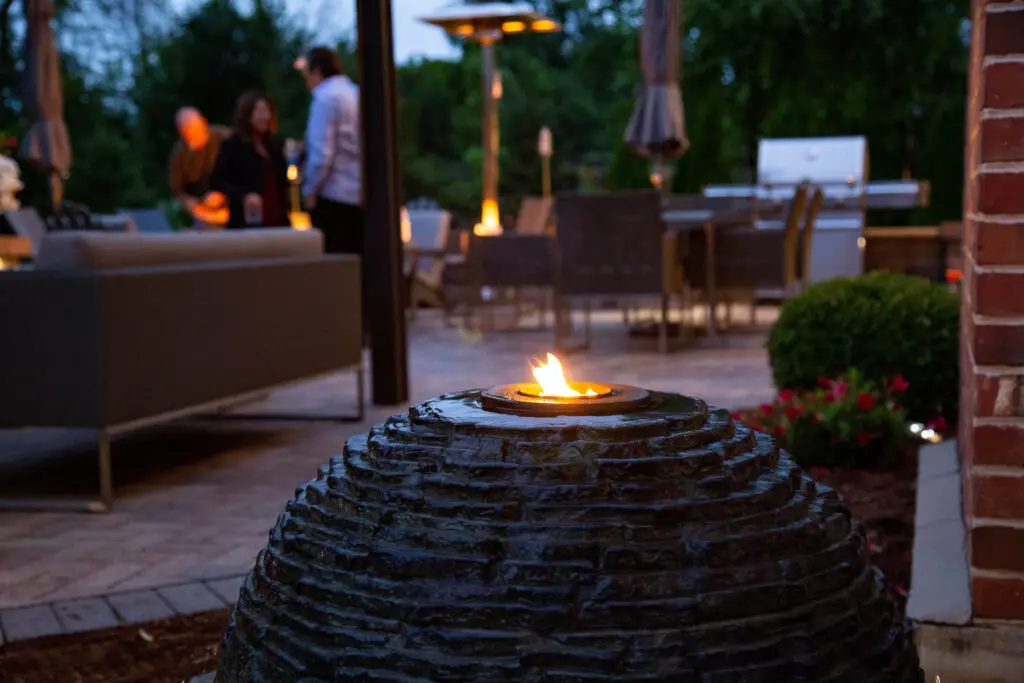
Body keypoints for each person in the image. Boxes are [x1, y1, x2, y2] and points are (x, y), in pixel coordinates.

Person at [301, 46, 363, 254]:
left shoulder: (325, 98)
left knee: (334, 264)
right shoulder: (355, 93)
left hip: (334, 195)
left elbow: (322, 153)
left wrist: (310, 189)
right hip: (360, 193)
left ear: (316, 72)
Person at [210, 92, 290, 229]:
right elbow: (217, 181)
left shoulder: (275, 144)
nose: (266, 117)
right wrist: (244, 196)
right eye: (260, 111)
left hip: (278, 219)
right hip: (247, 221)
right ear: (247, 115)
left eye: (267, 111)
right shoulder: (233, 145)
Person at [168, 107, 230, 224]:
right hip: (204, 213)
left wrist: (223, 192)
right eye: (186, 132)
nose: (192, 135)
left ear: (203, 123)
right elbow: (177, 189)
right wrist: (189, 203)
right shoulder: (180, 153)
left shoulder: (224, 138)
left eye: (194, 129)